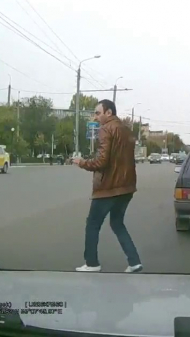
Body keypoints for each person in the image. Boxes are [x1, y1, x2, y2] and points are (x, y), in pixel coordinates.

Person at [73, 99, 142, 273]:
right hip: (126, 187)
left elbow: (102, 162)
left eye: (98, 113)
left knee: (93, 224)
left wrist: (82, 162)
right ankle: (134, 262)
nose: (95, 117)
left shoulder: (106, 129)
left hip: (108, 187)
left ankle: (91, 263)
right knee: (117, 223)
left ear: (108, 112)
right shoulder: (126, 130)